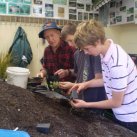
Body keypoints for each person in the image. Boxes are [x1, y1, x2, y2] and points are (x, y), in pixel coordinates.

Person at [70, 19, 137, 133]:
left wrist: (86, 104)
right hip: (121, 112)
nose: (85, 53)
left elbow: (116, 102)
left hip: (129, 118)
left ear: (97, 41)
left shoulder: (117, 64)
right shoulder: (107, 50)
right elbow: (107, 80)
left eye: (87, 48)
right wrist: (85, 84)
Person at [60, 23, 106, 104]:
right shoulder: (76, 54)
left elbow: (99, 79)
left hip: (95, 100)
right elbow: (78, 77)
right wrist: (73, 90)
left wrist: (73, 85)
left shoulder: (94, 52)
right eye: (67, 42)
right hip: (82, 100)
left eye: (71, 40)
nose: (70, 44)